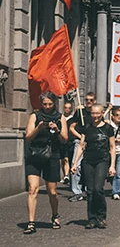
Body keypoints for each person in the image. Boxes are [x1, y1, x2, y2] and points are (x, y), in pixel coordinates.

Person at [23, 92, 68, 234]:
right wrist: (38, 128)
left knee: (52, 192)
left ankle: (55, 215)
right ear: (41, 104)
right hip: (35, 156)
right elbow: (28, 137)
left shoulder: (60, 117)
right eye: (45, 104)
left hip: (52, 156)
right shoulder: (35, 116)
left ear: (54, 103)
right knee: (33, 188)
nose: (47, 107)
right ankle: (31, 223)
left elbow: (65, 139)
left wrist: (57, 129)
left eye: (50, 104)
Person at [71, 104, 116, 229]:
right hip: (88, 161)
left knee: (98, 189)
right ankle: (91, 219)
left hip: (102, 160)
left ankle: (101, 216)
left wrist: (112, 166)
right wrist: (75, 163)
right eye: (93, 113)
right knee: (90, 191)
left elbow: (112, 147)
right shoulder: (87, 128)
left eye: (97, 113)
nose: (95, 116)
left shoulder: (108, 128)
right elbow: (81, 146)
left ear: (102, 113)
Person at [68, 92, 95, 202]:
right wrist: (81, 137)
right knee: (76, 165)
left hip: (92, 143)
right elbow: (71, 128)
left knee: (91, 167)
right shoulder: (80, 112)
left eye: (91, 100)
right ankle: (76, 192)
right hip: (79, 142)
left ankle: (90, 190)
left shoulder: (95, 113)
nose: (89, 102)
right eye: (87, 100)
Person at [59, 101, 73, 184]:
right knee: (63, 160)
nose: (67, 109)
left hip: (69, 142)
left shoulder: (72, 119)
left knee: (67, 159)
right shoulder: (61, 118)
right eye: (65, 108)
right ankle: (65, 174)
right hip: (61, 141)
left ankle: (67, 175)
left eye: (69, 108)